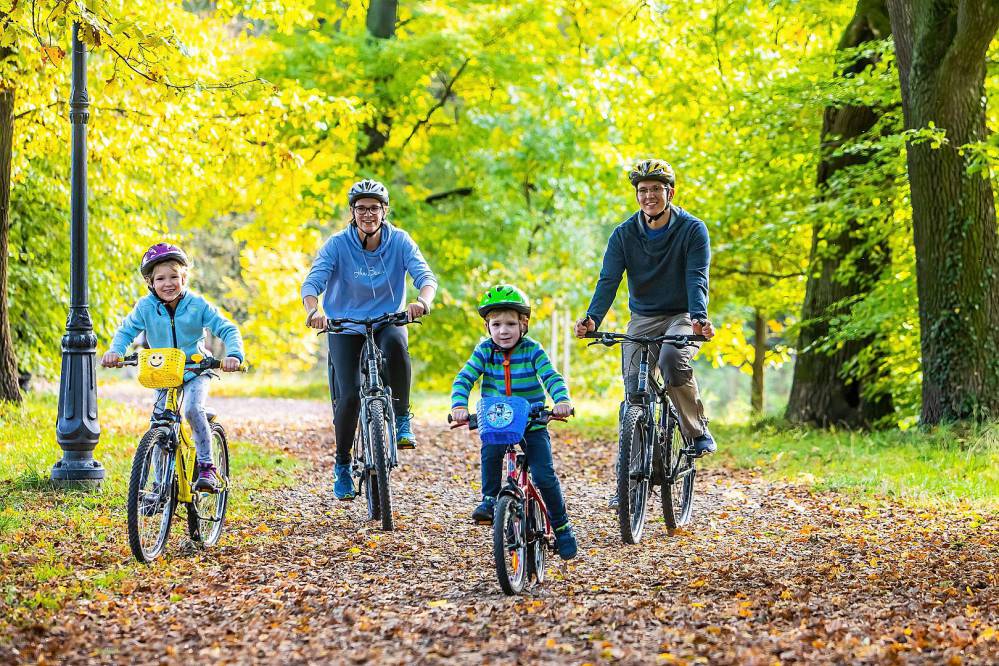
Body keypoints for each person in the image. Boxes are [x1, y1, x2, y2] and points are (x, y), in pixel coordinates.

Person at [573, 159, 716, 507]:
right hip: (643, 317)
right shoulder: (624, 235)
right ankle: (629, 476)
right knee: (634, 394)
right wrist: (592, 318)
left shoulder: (692, 230)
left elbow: (696, 277)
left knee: (670, 360)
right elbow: (609, 280)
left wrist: (699, 318)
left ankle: (695, 430)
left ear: (670, 192)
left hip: (681, 314)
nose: (649, 196)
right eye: (643, 190)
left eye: (656, 189)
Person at [302, 178, 437, 501]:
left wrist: (423, 301)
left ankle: (402, 418)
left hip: (387, 320)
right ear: (352, 212)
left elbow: (425, 277)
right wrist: (313, 310)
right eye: (361, 208)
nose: (368, 214)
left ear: (384, 211)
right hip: (345, 326)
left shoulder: (400, 241)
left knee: (396, 345)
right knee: (348, 397)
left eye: (374, 208)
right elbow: (312, 282)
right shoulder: (337, 244)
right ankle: (342, 464)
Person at [102, 243, 245, 491]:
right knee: (159, 426)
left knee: (191, 409)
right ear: (150, 282)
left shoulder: (197, 305)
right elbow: (126, 330)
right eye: (160, 278)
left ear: (184, 278)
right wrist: (116, 351)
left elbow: (227, 328)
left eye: (174, 277)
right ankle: (159, 485)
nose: (168, 283)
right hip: (162, 372)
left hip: (195, 370)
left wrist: (234, 355)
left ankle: (207, 467)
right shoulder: (145, 307)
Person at [450, 285, 578, 560]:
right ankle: (490, 499)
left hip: (531, 423)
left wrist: (561, 401)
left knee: (544, 475)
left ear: (524, 324)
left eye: (510, 323)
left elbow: (551, 377)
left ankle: (563, 528)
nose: (503, 331)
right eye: (496, 324)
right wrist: (459, 405)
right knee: (491, 452)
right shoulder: (484, 351)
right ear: (488, 327)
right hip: (496, 424)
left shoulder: (532, 350)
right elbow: (464, 378)